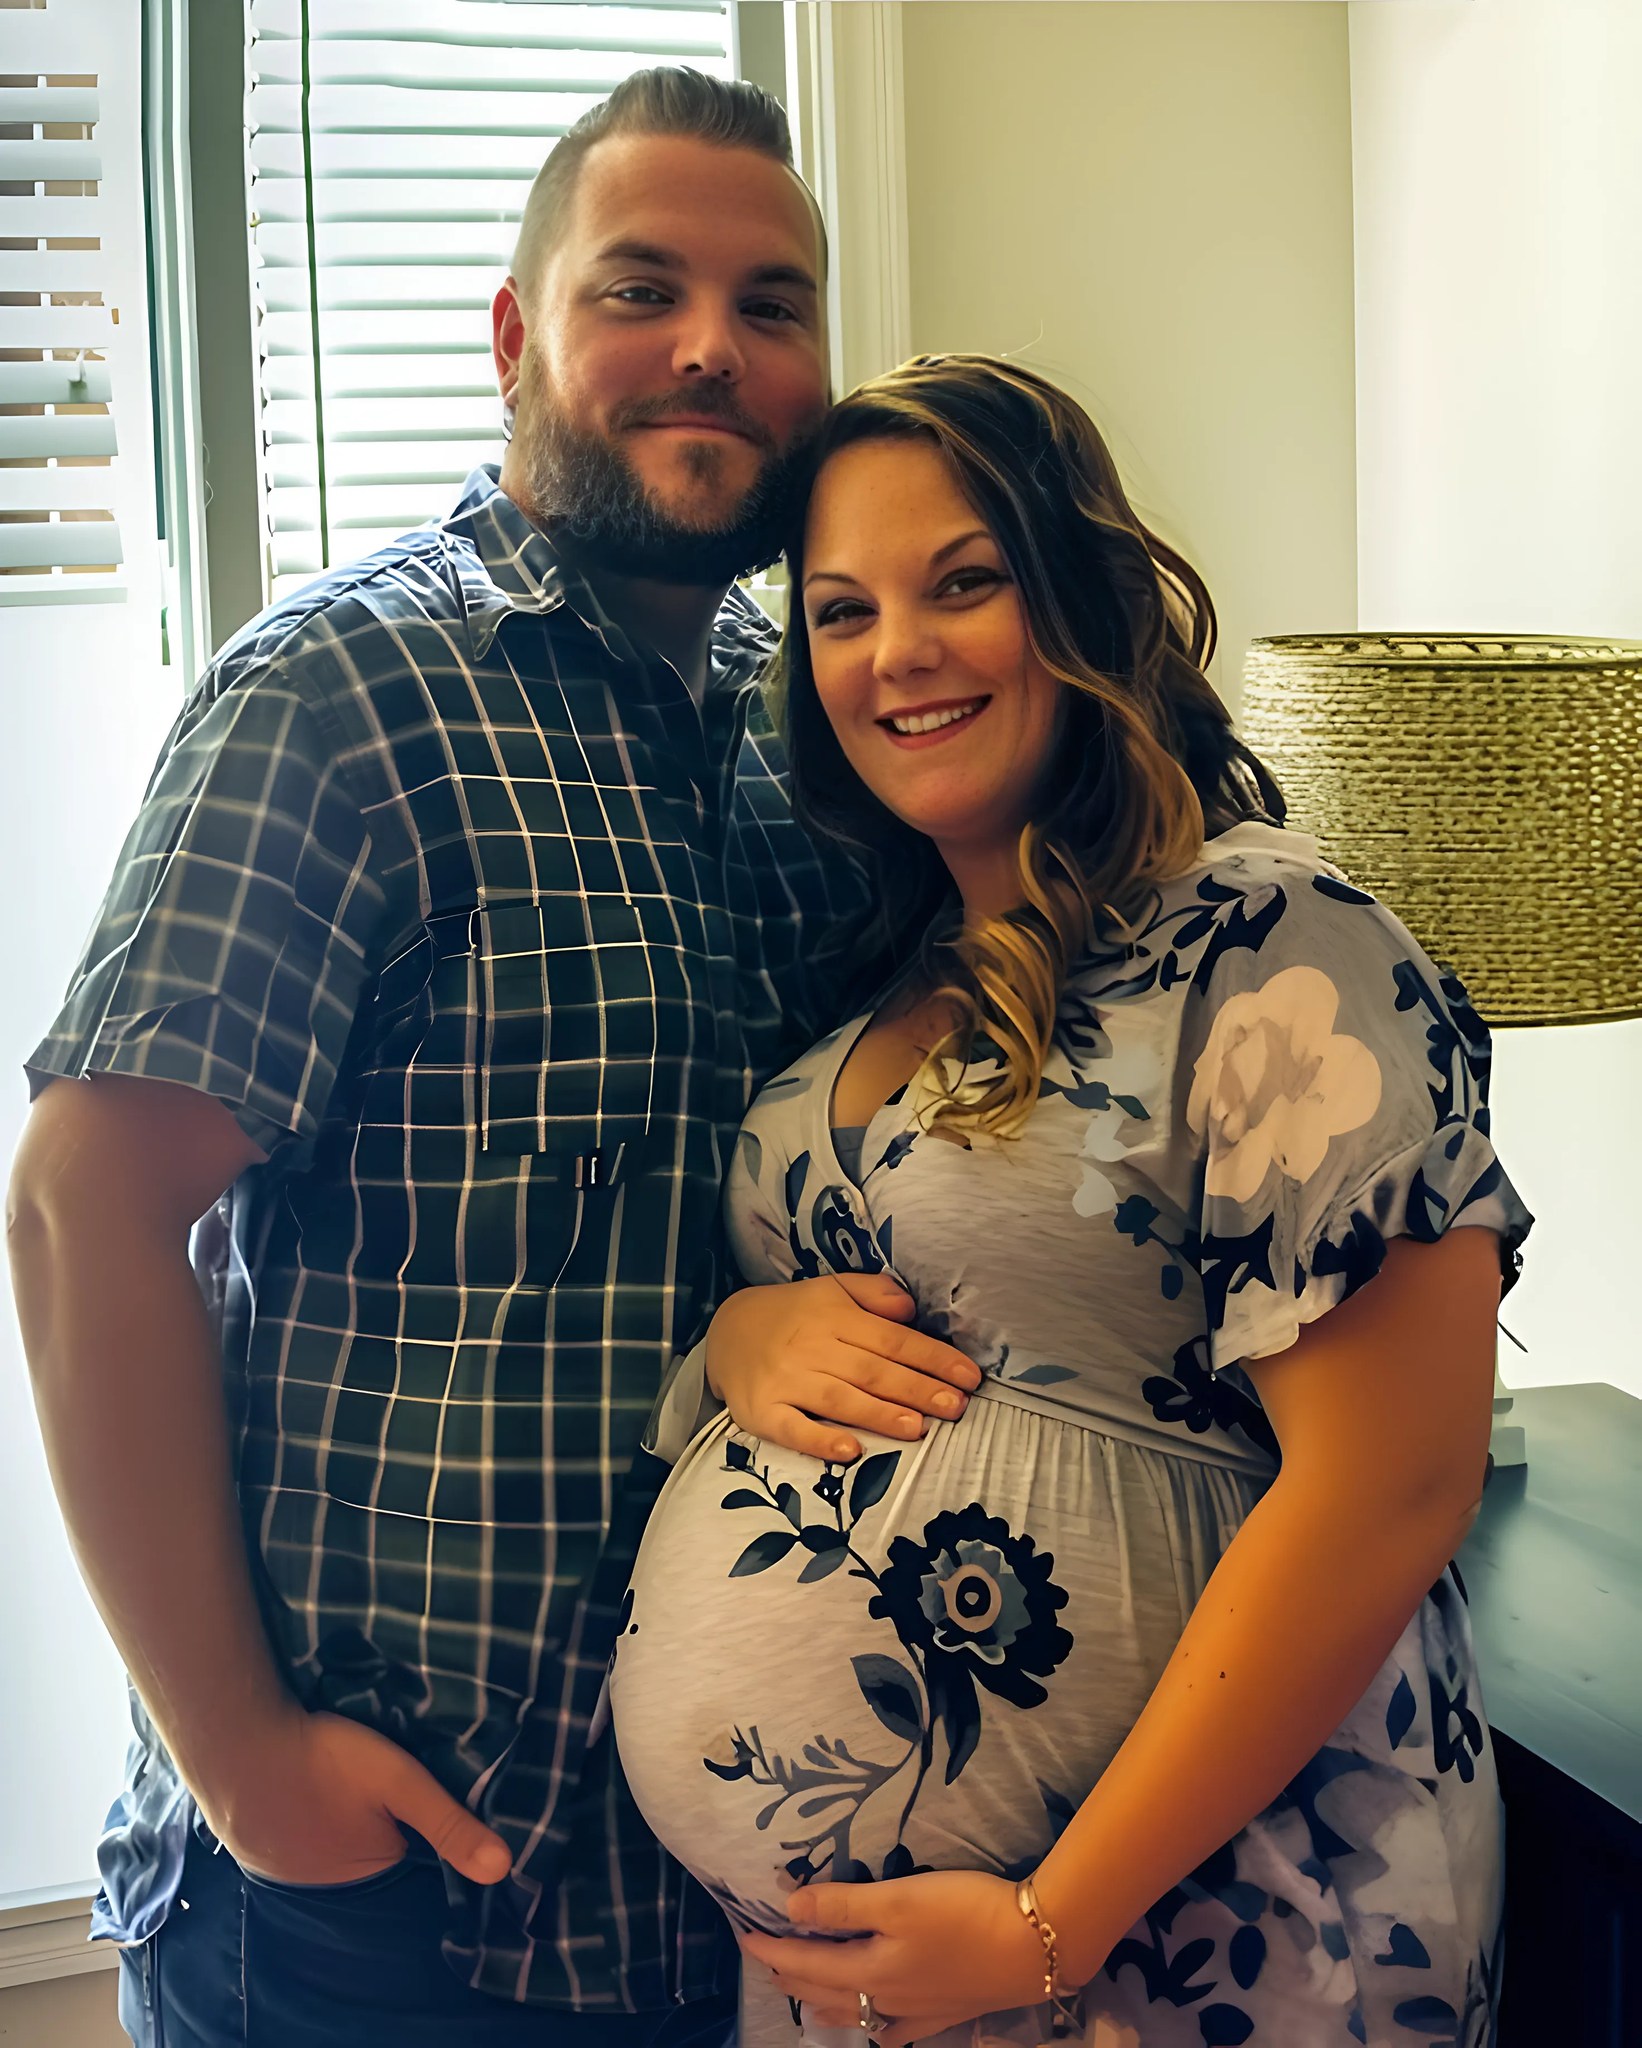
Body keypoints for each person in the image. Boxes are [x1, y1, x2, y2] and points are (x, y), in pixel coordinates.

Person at [6, 71, 978, 2048]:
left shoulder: (813, 742)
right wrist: (244, 1756)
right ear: (519, 334)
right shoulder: (342, 695)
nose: (709, 346)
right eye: (642, 288)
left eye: (771, 305)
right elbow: (78, 1208)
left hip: (708, 1889)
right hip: (378, 1907)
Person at [608, 354, 1532, 2048]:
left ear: (1082, 602)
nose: (896, 651)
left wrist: (1049, 1924)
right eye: (840, 611)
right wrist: (739, 1338)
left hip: (1209, 1938)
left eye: (963, 581)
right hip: (874, 1983)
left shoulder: (1271, 938)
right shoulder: (888, 973)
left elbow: (1392, 1485)